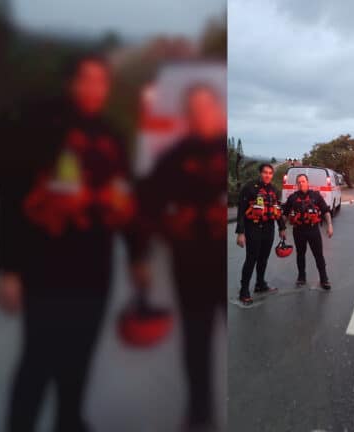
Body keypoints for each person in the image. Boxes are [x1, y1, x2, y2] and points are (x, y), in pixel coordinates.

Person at [0, 54, 143, 432]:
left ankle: (69, 420)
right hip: (45, 266)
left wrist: (138, 256)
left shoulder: (111, 136)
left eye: (101, 81)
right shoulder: (41, 129)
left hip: (95, 266)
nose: (94, 89)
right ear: (70, 82)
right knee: (38, 358)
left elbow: (125, 198)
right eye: (86, 80)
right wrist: (8, 269)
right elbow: (12, 199)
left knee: (80, 356)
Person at [134, 83, 226, 431]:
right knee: (196, 340)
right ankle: (200, 411)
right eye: (194, 110)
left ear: (217, 111)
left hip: (223, 265)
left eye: (207, 108)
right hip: (190, 267)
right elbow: (144, 206)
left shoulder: (224, 151)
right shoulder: (174, 159)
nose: (202, 116)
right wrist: (139, 255)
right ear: (188, 116)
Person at [235, 163, 286, 305]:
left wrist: (282, 228)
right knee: (251, 259)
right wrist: (240, 232)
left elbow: (277, 210)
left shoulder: (274, 190)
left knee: (263, 259)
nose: (267, 175)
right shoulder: (249, 188)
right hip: (253, 228)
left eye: (270, 173)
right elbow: (241, 211)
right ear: (260, 173)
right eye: (265, 172)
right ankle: (244, 291)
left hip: (269, 229)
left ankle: (260, 284)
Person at [281, 173, 333, 289]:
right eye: (299, 182)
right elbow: (285, 214)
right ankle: (301, 277)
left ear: (307, 182)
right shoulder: (292, 198)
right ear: (296, 184)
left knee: (318, 255)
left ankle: (324, 279)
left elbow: (326, 211)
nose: (301, 184)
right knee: (300, 255)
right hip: (298, 231)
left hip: (313, 230)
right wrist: (281, 228)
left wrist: (329, 225)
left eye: (303, 181)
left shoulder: (316, 196)